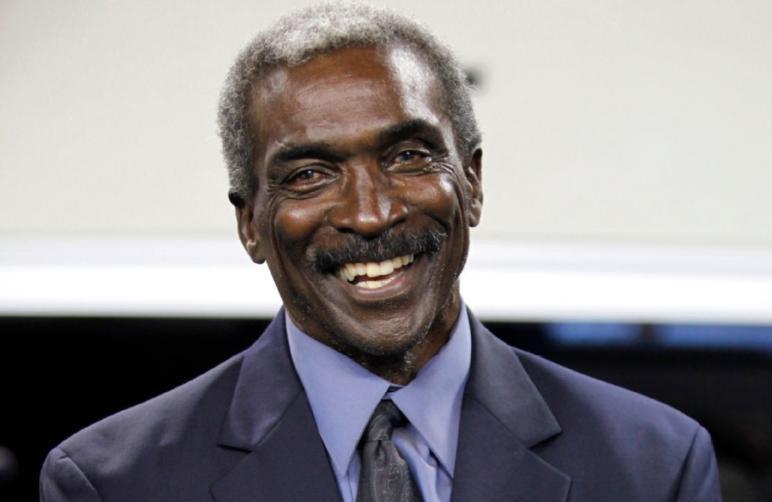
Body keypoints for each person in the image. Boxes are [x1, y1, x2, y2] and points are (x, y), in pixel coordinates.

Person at [39, 4, 722, 501]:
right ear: (250, 224)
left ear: (473, 184)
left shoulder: (655, 467)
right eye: (310, 175)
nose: (370, 214)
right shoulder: (113, 482)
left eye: (408, 156)